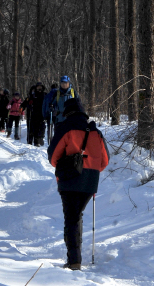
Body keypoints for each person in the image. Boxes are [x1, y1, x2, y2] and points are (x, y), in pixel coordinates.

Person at [47, 95, 109, 270]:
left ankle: (74, 260)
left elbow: (53, 157)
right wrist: (90, 168)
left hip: (70, 179)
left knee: (72, 218)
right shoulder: (95, 131)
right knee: (76, 216)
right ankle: (75, 257)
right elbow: (104, 161)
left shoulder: (65, 128)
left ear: (67, 112)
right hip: (90, 181)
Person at [22, 81, 47, 146]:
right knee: (33, 128)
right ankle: (32, 142)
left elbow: (49, 102)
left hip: (42, 114)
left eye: (40, 87)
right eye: (38, 87)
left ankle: (39, 140)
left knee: (42, 128)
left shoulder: (45, 95)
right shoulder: (32, 95)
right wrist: (22, 107)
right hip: (33, 114)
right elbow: (25, 102)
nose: (39, 88)